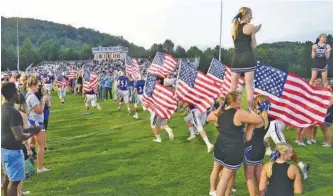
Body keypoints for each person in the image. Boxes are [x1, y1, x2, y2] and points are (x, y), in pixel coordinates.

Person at [207, 91, 262, 196]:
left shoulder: (220, 112)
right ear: (234, 102)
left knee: (224, 174)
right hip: (232, 150)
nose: (241, 101)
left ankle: (226, 193)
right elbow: (258, 120)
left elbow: (208, 117)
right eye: (240, 99)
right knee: (224, 178)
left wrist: (220, 108)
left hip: (220, 146)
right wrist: (251, 110)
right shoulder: (239, 113)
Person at [1, 82, 41, 196]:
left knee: (8, 178)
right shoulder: (13, 112)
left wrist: (29, 129)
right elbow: (19, 136)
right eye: (18, 91)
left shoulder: (3, 108)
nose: (19, 93)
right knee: (14, 182)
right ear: (13, 94)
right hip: (12, 150)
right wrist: (33, 132)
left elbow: (15, 130)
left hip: (4, 149)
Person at [230, 7, 261, 110]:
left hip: (236, 60)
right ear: (245, 14)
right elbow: (253, 45)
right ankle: (250, 111)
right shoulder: (251, 27)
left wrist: (253, 32)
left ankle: (231, 109)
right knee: (248, 87)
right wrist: (254, 32)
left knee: (232, 88)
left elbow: (241, 39)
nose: (252, 17)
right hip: (248, 59)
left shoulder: (234, 28)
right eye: (250, 14)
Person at [243, 95, 270, 196]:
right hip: (261, 148)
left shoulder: (255, 120)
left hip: (251, 149)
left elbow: (248, 137)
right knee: (258, 174)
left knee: (249, 177)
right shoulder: (267, 119)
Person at [25, 77, 51, 173]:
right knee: (41, 145)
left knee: (30, 145)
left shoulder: (28, 94)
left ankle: (30, 168)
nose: (38, 87)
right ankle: (40, 167)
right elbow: (39, 111)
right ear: (32, 85)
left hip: (32, 121)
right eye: (36, 85)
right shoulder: (31, 96)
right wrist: (43, 101)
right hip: (36, 122)